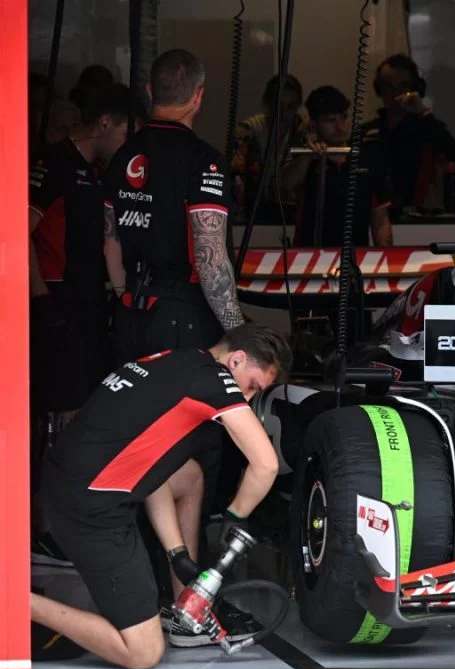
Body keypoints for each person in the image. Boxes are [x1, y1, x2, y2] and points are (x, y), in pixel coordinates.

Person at [30, 324, 289, 669]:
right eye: (253, 386)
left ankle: (187, 609)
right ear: (237, 360)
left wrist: (177, 553)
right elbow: (266, 464)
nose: (248, 399)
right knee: (144, 652)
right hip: (91, 507)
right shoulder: (215, 379)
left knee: (191, 475)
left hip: (71, 479)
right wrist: (235, 516)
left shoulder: (174, 361)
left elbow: (154, 472)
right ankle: (16, 602)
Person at [104, 48, 245, 366]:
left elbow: (110, 240)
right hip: (181, 316)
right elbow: (211, 258)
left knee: (133, 413)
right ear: (198, 96)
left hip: (129, 313)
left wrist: (124, 294)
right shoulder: (203, 161)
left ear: (150, 91)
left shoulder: (123, 154)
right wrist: (238, 332)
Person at [30, 83, 138, 429]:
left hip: (92, 304)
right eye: (125, 133)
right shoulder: (53, 164)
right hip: (57, 303)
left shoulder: (102, 173)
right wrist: (40, 296)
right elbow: (17, 233)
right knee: (66, 410)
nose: (127, 144)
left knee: (93, 404)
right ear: (104, 123)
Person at [285, 85, 393, 248]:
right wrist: (308, 156)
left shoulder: (366, 157)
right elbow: (283, 186)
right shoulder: (304, 158)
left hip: (356, 258)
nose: (340, 126)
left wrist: (387, 261)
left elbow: (380, 219)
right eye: (330, 120)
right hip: (307, 258)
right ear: (314, 124)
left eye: (343, 117)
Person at [361, 53, 455, 214]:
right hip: (373, 215)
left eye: (402, 86)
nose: (394, 93)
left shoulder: (426, 127)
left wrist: (422, 112)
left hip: (414, 215)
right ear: (379, 89)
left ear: (415, 89)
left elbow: (453, 151)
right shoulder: (368, 131)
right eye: (388, 86)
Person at [230, 73, 308, 219]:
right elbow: (237, 176)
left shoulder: (303, 130)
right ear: (268, 103)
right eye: (278, 106)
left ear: (298, 105)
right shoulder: (248, 130)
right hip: (252, 210)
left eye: (290, 107)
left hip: (293, 210)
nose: (283, 113)